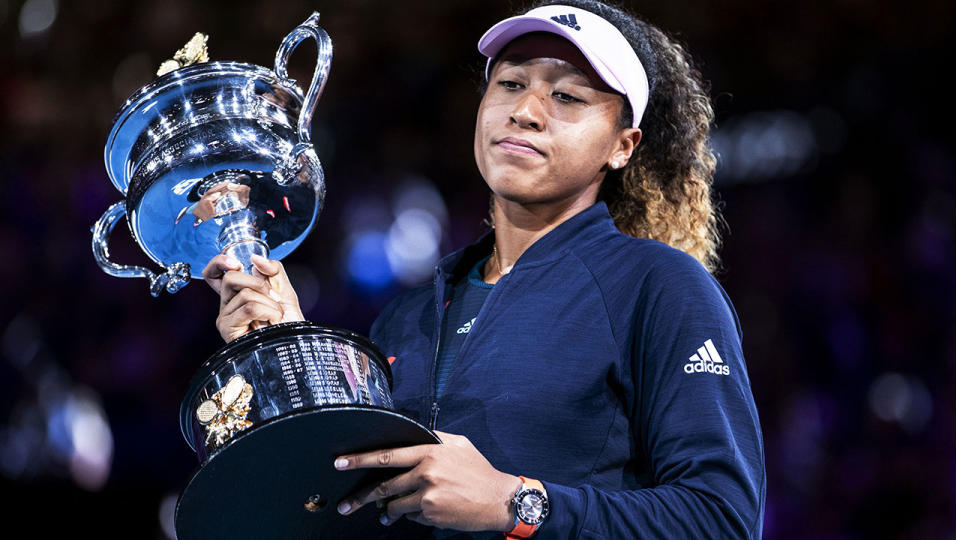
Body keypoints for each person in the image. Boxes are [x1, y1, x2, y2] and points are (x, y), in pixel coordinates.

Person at [203, 1, 765, 537]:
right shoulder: (407, 317)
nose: (525, 111)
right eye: (511, 84)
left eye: (567, 97)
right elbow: (344, 502)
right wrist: (290, 351)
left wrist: (514, 502)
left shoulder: (660, 287)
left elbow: (721, 518)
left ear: (623, 146)